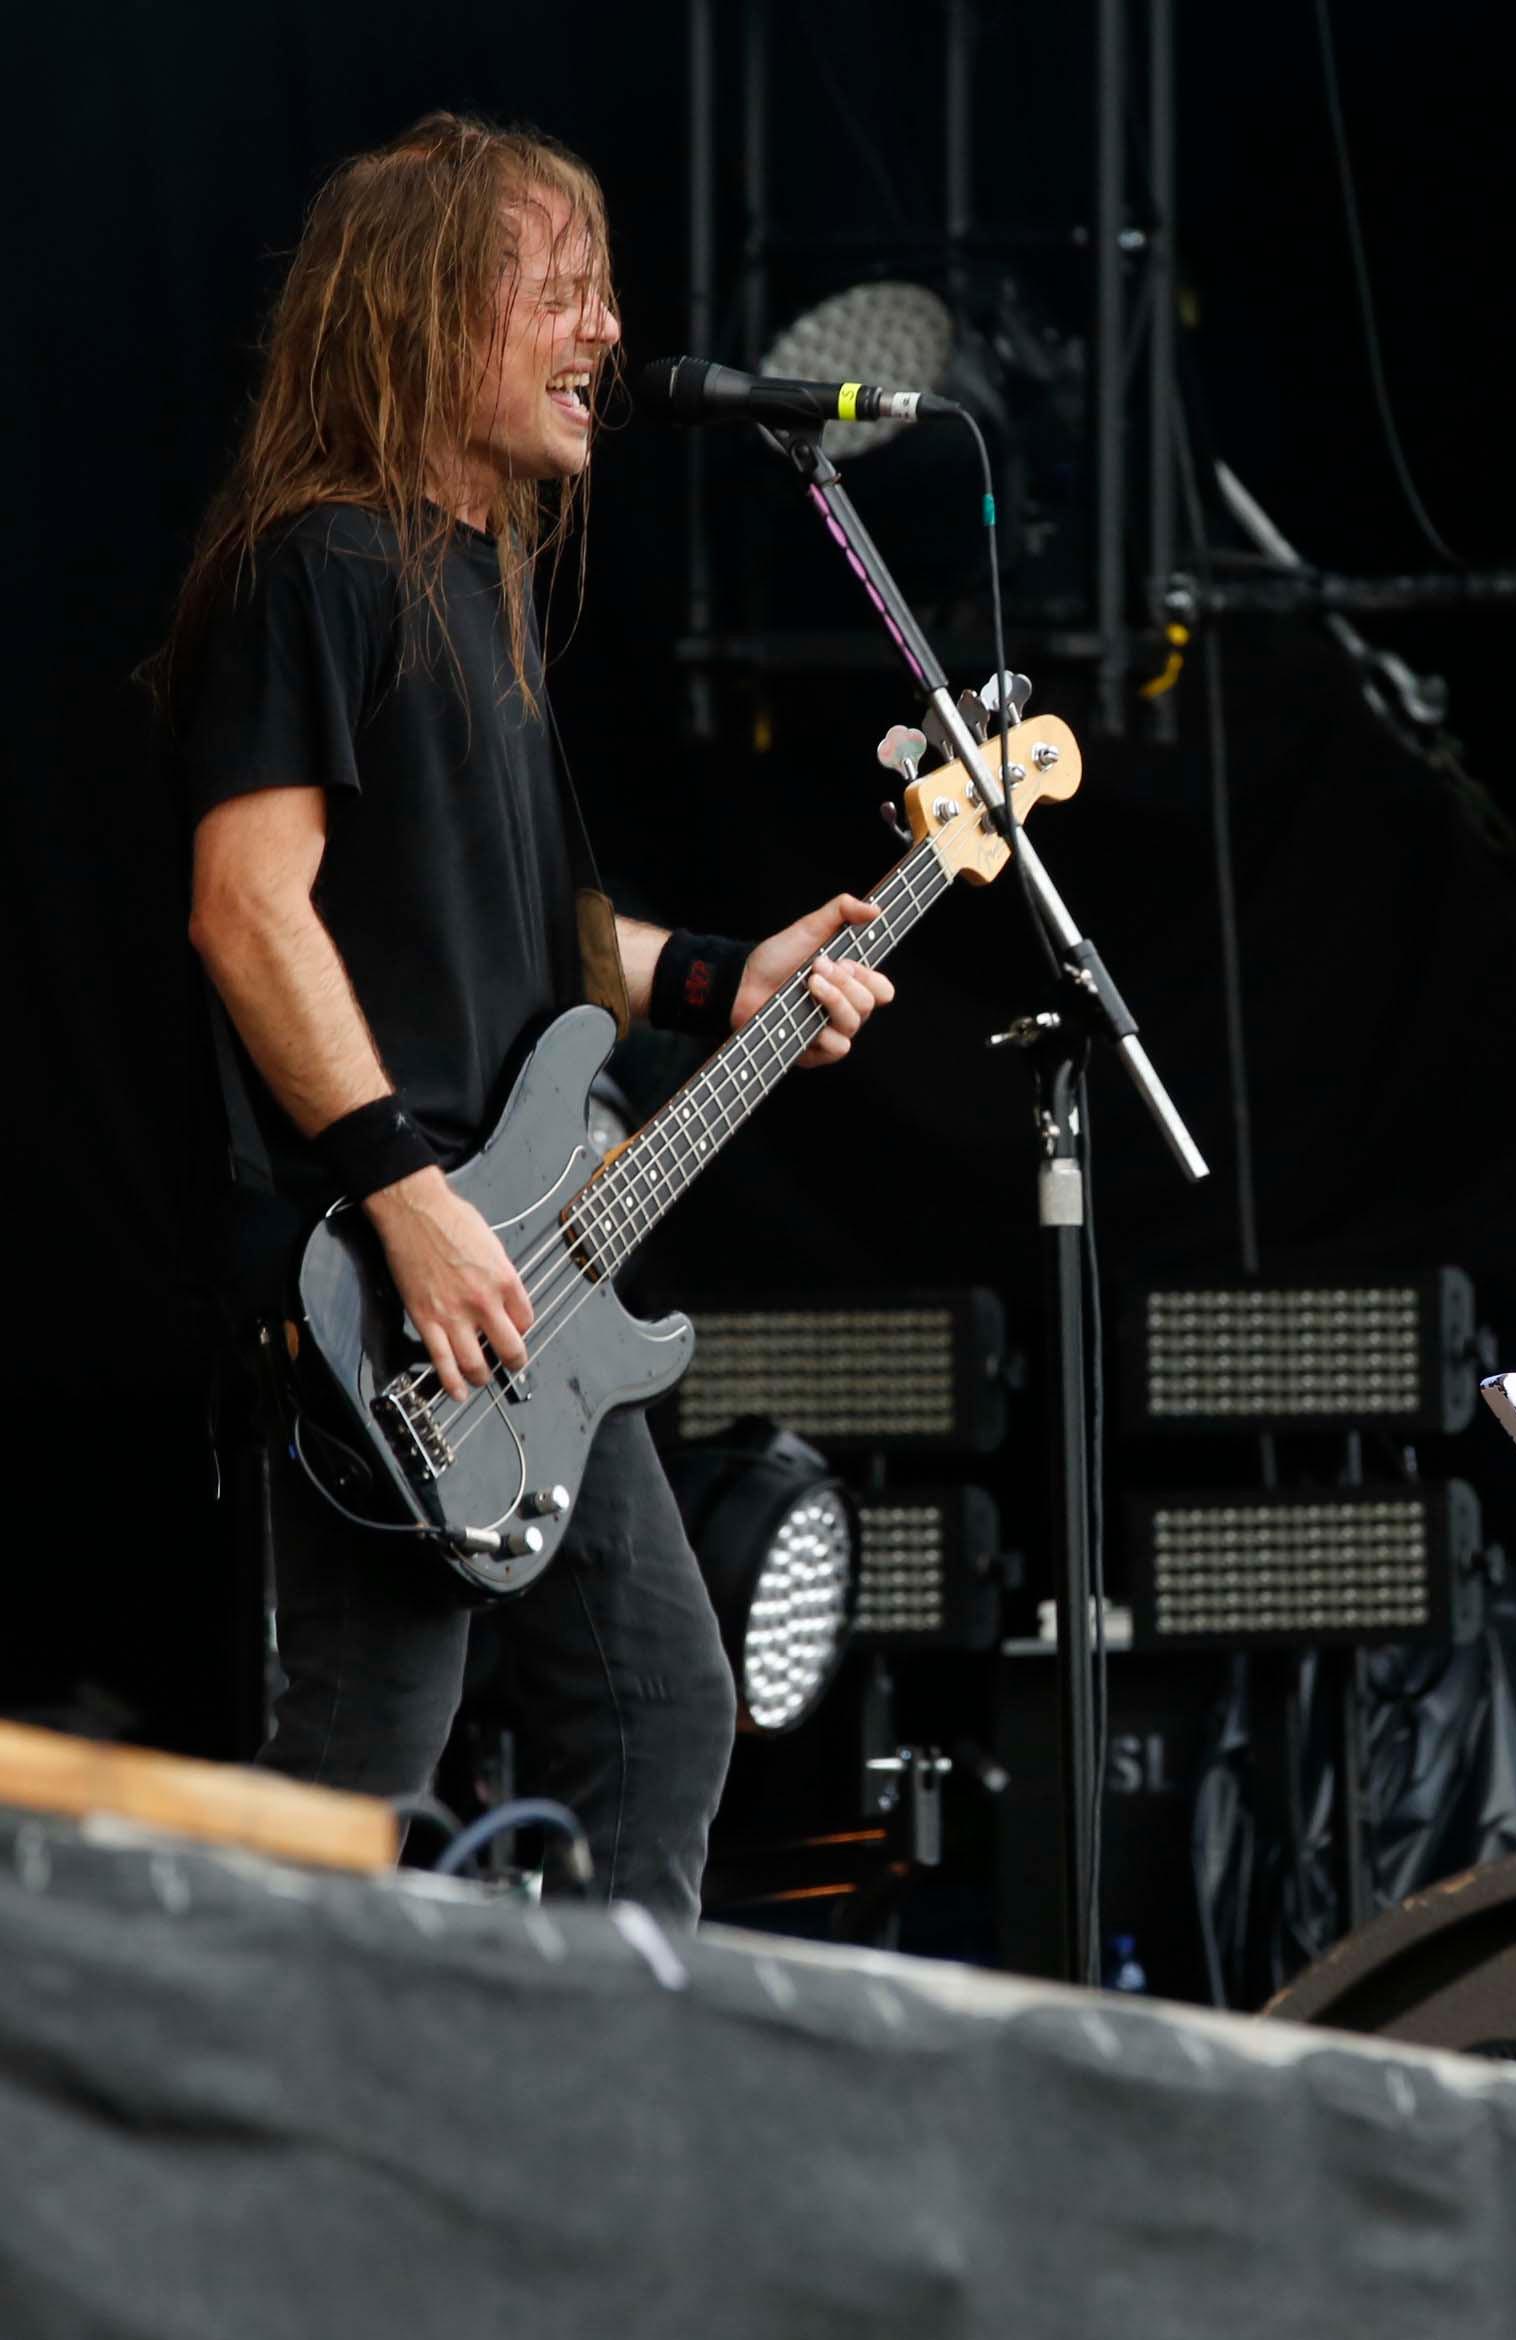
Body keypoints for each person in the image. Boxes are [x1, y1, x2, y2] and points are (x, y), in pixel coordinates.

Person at [160, 115, 898, 1926]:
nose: (605, 337)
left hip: (526, 1294)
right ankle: (238, 2168)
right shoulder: (317, 566)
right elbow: (245, 911)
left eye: (607, 293)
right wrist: (405, 1200)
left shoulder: (476, 597)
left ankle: (577, 2149)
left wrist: (738, 975)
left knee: (655, 1712)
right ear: (421, 315)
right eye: (560, 294)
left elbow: (558, 949)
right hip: (389, 1295)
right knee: (354, 1790)